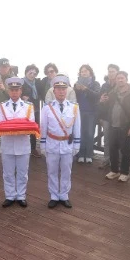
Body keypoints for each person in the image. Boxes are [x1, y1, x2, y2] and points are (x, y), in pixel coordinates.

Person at [40, 75, 81, 209]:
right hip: (52, 143)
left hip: (67, 144)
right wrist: (42, 144)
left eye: (64, 89)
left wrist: (77, 144)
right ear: (54, 90)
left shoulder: (74, 107)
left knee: (66, 171)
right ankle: (53, 196)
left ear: (67, 90)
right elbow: (43, 127)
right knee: (52, 171)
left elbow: (77, 127)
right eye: (58, 89)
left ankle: (64, 195)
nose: (61, 91)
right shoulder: (47, 108)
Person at [0, 77, 35, 208]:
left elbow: (31, 125)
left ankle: (21, 196)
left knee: (23, 172)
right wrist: (16, 126)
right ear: (8, 91)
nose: (14, 92)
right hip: (7, 144)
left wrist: (13, 126)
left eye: (17, 90)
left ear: (20, 90)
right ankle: (10, 196)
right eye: (12, 90)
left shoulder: (28, 106)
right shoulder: (1, 107)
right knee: (8, 172)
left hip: (23, 144)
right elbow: (0, 125)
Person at [98, 71, 130, 182]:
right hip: (113, 125)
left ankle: (125, 173)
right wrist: (102, 102)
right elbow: (107, 107)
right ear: (116, 80)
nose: (120, 80)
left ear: (126, 79)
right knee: (113, 149)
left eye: (122, 78)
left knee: (125, 151)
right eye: (118, 78)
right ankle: (114, 171)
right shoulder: (113, 93)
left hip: (125, 126)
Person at [74, 65, 102, 164]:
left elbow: (97, 95)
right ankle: (81, 154)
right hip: (80, 112)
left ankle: (89, 154)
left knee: (90, 133)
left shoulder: (95, 83)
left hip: (91, 112)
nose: (84, 73)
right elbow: (74, 97)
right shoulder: (76, 84)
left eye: (86, 71)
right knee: (80, 133)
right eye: (82, 71)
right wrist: (77, 89)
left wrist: (85, 89)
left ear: (90, 72)